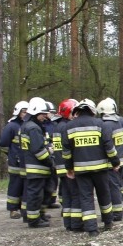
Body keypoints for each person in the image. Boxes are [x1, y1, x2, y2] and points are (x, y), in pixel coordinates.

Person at [64, 99, 120, 237]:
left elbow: (66, 152)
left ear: (77, 111)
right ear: (92, 111)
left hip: (81, 171)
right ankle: (108, 222)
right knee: (104, 194)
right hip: (101, 169)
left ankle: (91, 229)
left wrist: (69, 168)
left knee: (86, 197)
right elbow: (109, 147)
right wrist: (115, 162)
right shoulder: (101, 124)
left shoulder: (69, 127)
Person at [20, 99, 54, 228]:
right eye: (42, 114)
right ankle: (34, 220)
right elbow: (38, 151)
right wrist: (50, 161)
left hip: (33, 166)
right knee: (35, 195)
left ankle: (39, 215)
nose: (44, 117)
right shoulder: (33, 128)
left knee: (40, 194)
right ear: (35, 112)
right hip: (37, 168)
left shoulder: (27, 126)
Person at [53, 99, 83, 231]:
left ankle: (68, 223)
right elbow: (70, 149)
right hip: (68, 167)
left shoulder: (58, 126)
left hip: (60, 166)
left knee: (66, 195)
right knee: (75, 194)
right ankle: (76, 224)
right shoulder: (67, 127)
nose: (76, 115)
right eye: (74, 112)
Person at [97, 98, 123, 221]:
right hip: (119, 160)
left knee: (112, 188)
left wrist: (112, 160)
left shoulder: (106, 125)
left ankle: (117, 213)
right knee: (116, 186)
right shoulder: (118, 122)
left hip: (111, 162)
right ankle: (118, 211)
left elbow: (108, 144)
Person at [0, 100, 27, 219]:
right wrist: (11, 154)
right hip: (15, 162)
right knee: (15, 185)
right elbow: (3, 144)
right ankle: (12, 209)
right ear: (18, 112)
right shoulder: (11, 126)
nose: (25, 114)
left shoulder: (26, 125)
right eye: (24, 112)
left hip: (26, 162)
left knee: (25, 186)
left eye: (27, 112)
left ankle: (23, 208)